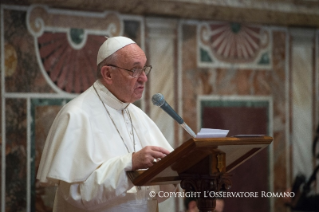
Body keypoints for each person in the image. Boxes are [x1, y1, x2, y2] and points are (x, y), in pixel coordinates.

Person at [37, 36, 176, 211]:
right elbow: (76, 193)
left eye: (144, 69)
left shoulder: (138, 115)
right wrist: (130, 163)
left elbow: (158, 192)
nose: (143, 78)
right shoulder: (76, 115)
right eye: (134, 70)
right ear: (108, 74)